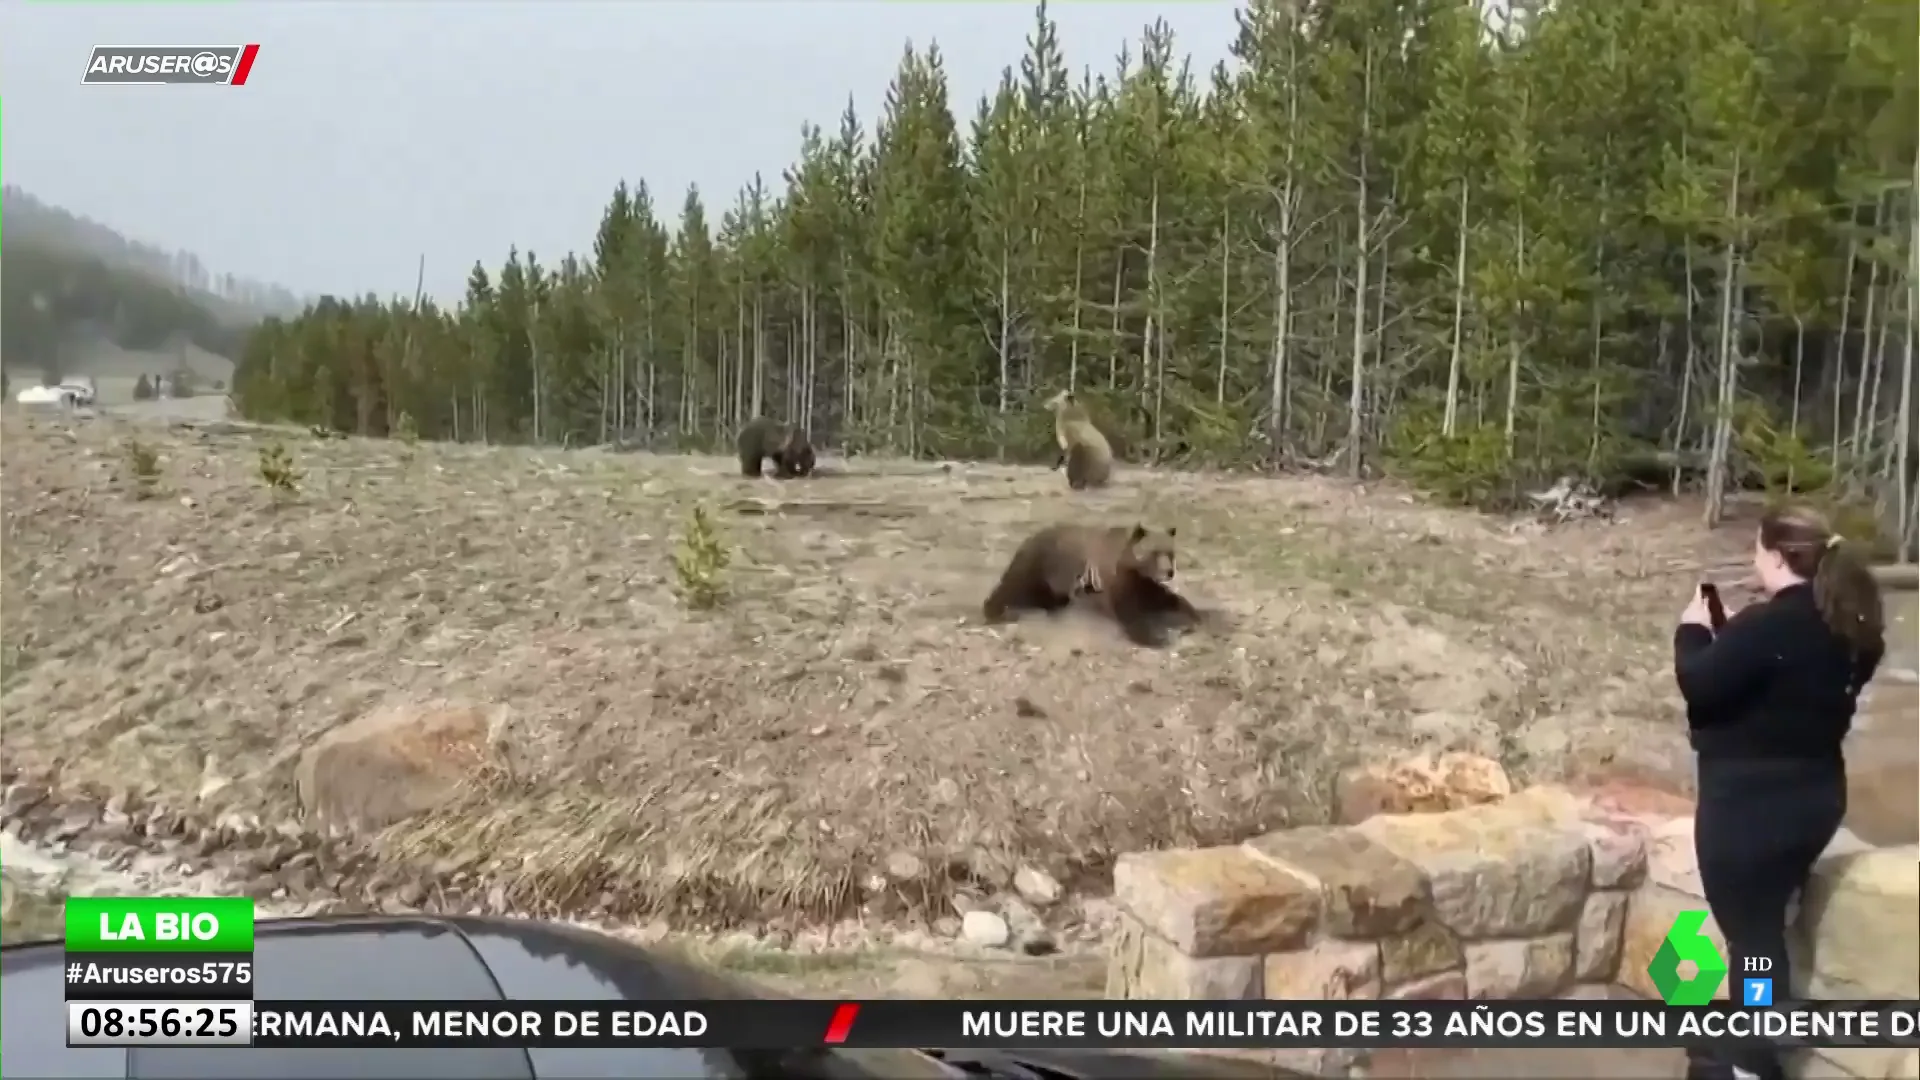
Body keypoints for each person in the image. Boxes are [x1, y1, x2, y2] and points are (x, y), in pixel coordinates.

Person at [1675, 506, 1886, 1080]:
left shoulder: (1766, 627)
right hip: (1813, 801)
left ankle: (1751, 1060)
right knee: (1763, 925)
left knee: (1754, 939)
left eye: (1756, 549)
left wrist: (1693, 630)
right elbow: (1786, 690)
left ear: (1774, 555)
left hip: (1749, 810)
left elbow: (1700, 685)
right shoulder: (1850, 626)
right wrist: (1737, 641)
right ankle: (1756, 1029)